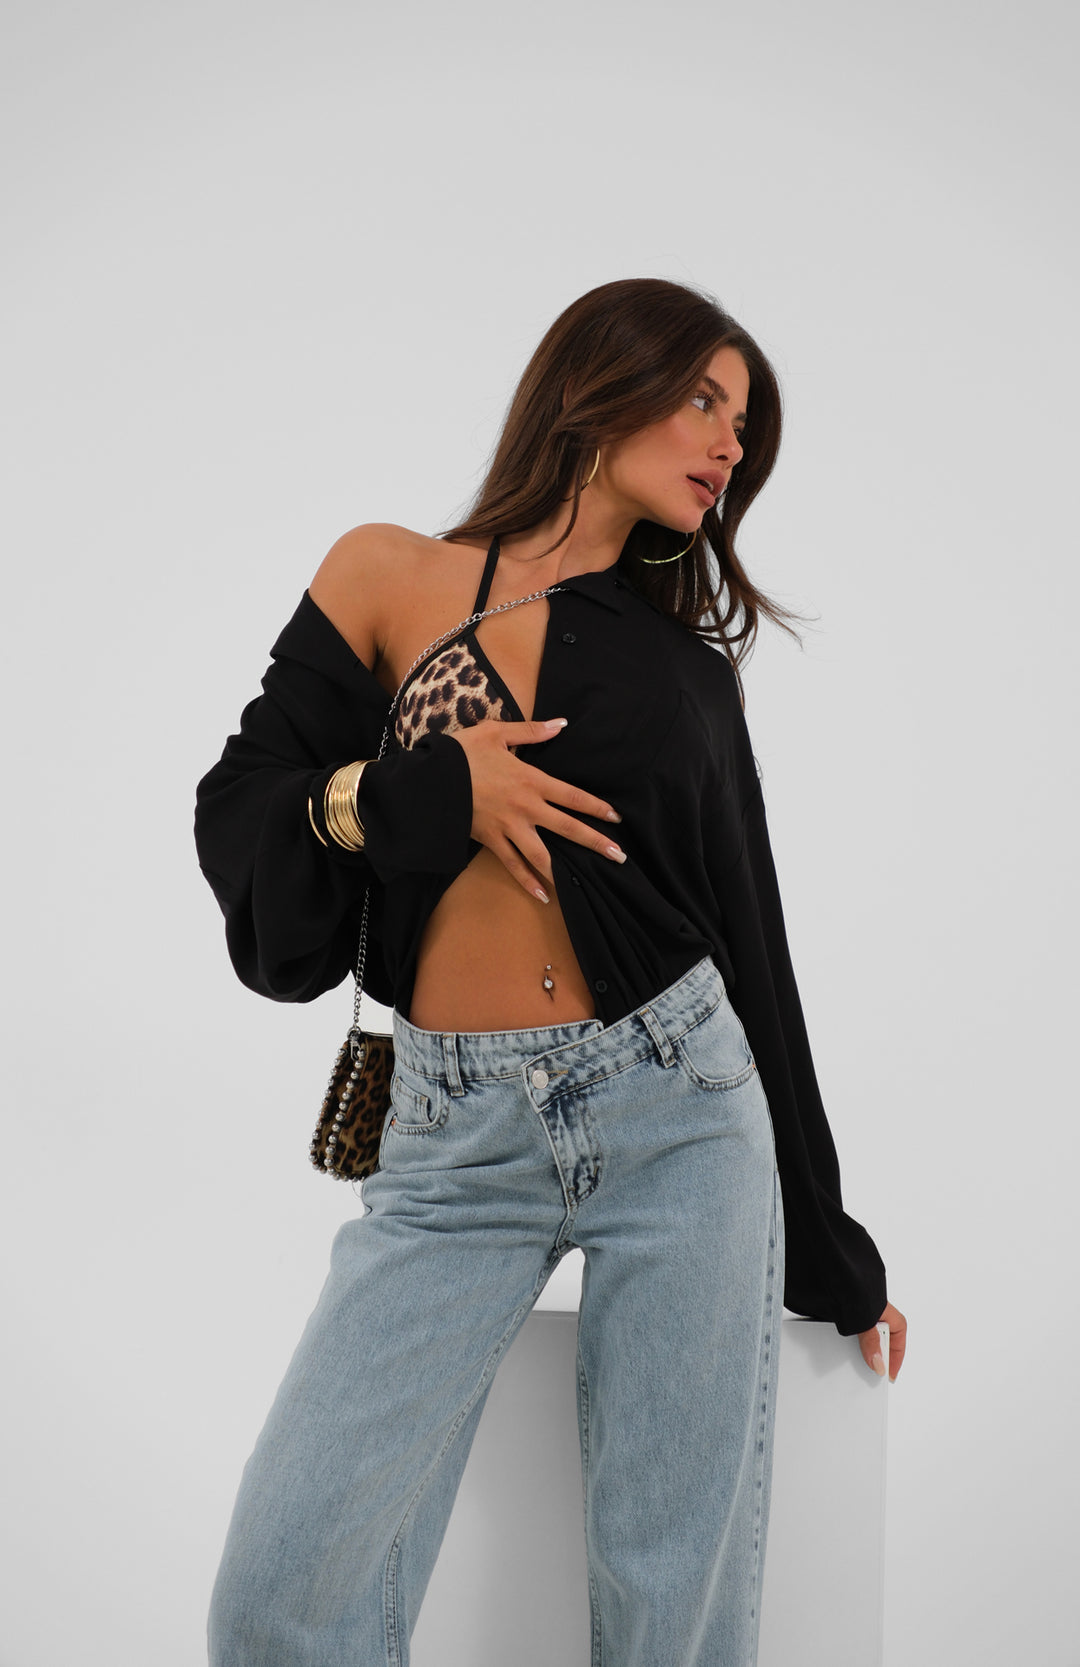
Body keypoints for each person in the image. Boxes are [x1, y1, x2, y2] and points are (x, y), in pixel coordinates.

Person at [195, 276, 906, 1667]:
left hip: (682, 1111)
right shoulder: (388, 573)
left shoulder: (685, 671)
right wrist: (424, 795)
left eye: (746, 425)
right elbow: (242, 811)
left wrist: (828, 1244)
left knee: (667, 1608)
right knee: (283, 1589)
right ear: (598, 384)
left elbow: (751, 940)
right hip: (450, 1144)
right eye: (704, 399)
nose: (730, 444)